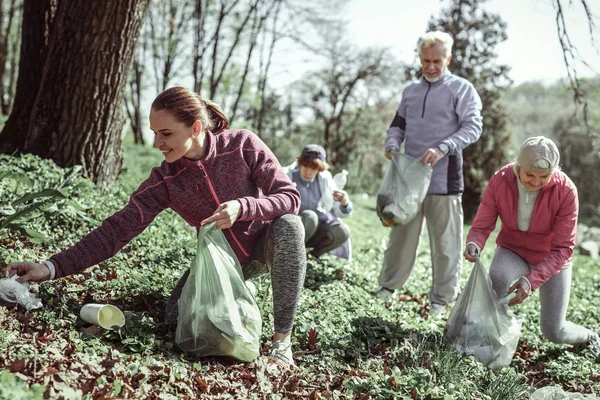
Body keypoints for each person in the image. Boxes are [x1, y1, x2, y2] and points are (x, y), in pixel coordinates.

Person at [3, 86, 307, 369]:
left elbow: (290, 197)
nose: (158, 143)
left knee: (290, 227)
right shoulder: (166, 180)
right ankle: (237, 291)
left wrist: (245, 207)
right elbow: (117, 230)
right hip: (217, 262)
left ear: (196, 128)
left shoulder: (242, 146)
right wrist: (51, 267)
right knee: (177, 318)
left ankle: (281, 343)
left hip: (263, 246)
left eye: (166, 133)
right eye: (154, 134)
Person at [377, 30, 483, 316]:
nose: (431, 66)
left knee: (446, 245)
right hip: (409, 180)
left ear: (448, 58)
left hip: (444, 179)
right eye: (426, 60)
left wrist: (445, 146)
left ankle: (441, 300)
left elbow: (473, 127)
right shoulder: (410, 92)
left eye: (438, 60)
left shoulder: (461, 89)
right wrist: (392, 142)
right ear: (420, 59)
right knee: (400, 237)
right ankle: (387, 287)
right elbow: (397, 124)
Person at [464, 136, 599, 355]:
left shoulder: (566, 191)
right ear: (518, 167)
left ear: (553, 172)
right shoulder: (501, 179)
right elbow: (482, 224)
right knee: (497, 278)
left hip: (551, 258)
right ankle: (487, 346)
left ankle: (589, 336)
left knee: (553, 330)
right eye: (529, 175)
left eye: (544, 177)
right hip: (513, 249)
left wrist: (531, 280)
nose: (535, 182)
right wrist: (474, 242)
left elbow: (564, 248)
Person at [284, 144, 352, 258]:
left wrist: (344, 203)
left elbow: (337, 211)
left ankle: (312, 256)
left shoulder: (325, 180)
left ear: (320, 168)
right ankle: (290, 255)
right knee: (311, 217)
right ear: (300, 163)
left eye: (314, 168)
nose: (308, 171)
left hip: (316, 231)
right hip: (291, 229)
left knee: (343, 231)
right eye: (306, 165)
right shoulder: (286, 175)